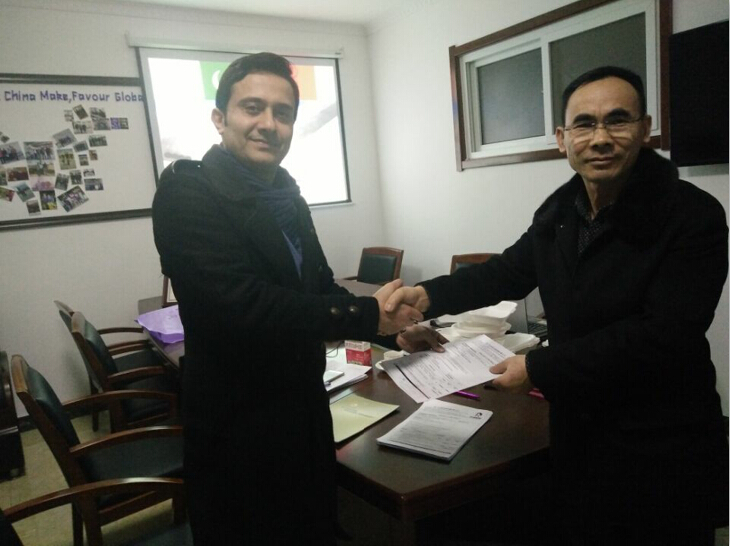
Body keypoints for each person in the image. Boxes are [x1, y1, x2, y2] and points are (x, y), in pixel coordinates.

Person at [388, 66, 728, 545]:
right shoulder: (561, 213)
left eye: (618, 120)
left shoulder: (692, 215)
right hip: (580, 435)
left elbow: (663, 334)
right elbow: (505, 272)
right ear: (563, 138)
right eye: (585, 124)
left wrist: (538, 368)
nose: (601, 138)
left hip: (661, 444)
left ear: (645, 128)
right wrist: (427, 296)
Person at [152, 52, 420, 545]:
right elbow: (242, 305)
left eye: (283, 113)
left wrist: (391, 324)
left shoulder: (287, 195)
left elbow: (318, 286)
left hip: (304, 411)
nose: (268, 124)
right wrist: (364, 314)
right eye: (252, 107)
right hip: (238, 425)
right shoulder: (186, 192)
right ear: (220, 118)